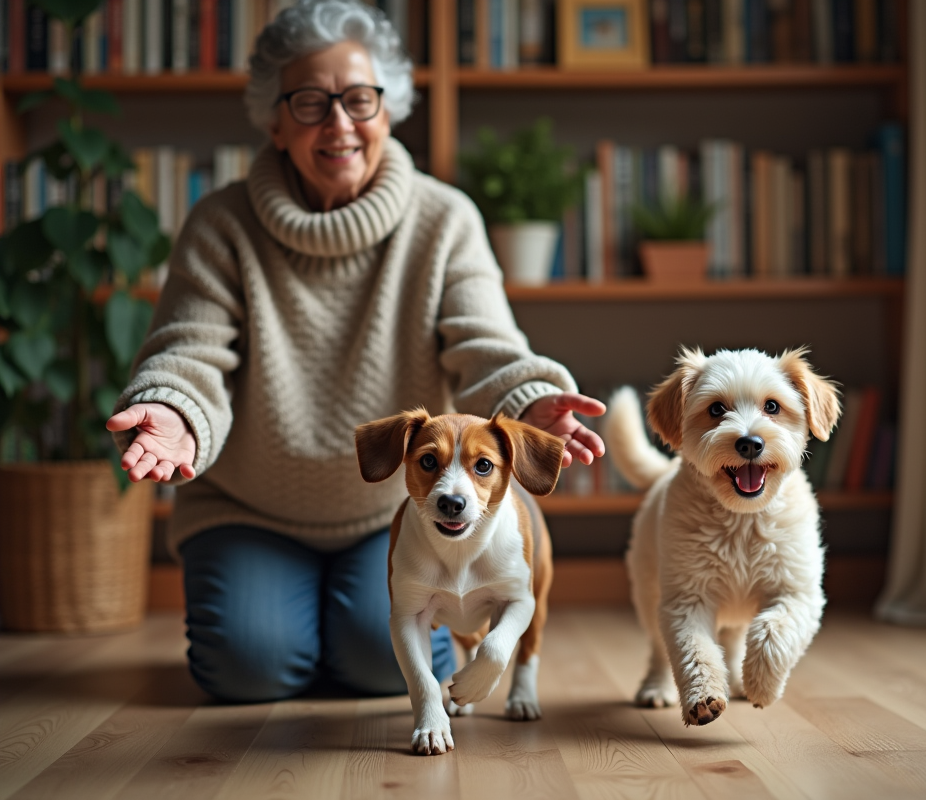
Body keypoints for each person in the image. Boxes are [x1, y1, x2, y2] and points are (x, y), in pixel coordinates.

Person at [105, 0, 605, 703]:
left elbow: (486, 346)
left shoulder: (444, 220)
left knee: (378, 665)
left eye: (359, 99)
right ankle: (295, 622)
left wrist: (528, 399)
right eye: (309, 102)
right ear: (275, 122)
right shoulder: (219, 224)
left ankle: (339, 629)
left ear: (389, 109)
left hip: (399, 509)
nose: (338, 123)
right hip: (250, 508)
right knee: (251, 668)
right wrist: (175, 409)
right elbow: (191, 352)